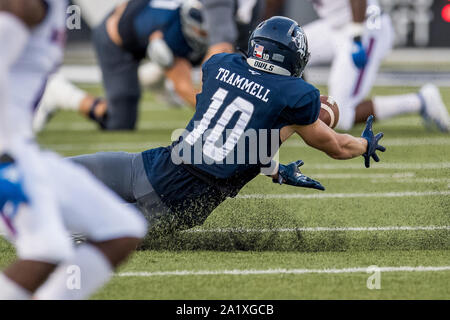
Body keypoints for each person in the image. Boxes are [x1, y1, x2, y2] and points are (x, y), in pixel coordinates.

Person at [69, 16, 385, 234]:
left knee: (62, 173)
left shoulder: (221, 65)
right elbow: (334, 145)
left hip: (153, 164)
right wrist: (364, 144)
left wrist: (271, 166)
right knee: (91, 235)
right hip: (185, 198)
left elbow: (235, 129)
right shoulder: (295, 95)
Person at [0, 0, 147, 300]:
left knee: (121, 228)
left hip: (22, 149)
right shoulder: (27, 6)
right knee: (47, 248)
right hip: (8, 150)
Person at [34, 0, 209, 132]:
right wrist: (215, 114)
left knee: (166, 56)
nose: (205, 35)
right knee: (120, 122)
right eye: (201, 32)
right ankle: (59, 93)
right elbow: (183, 87)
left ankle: (152, 81)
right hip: (115, 42)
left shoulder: (182, 17)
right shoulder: (172, 32)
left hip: (140, 34)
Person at [302, 0, 450, 132]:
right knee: (285, 46)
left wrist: (357, 35)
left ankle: (420, 101)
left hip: (365, 25)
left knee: (340, 116)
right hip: (334, 25)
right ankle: (298, 105)